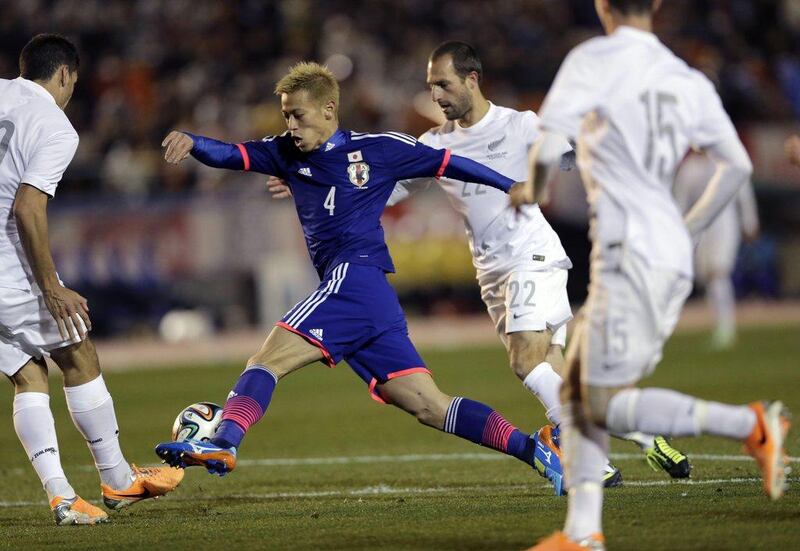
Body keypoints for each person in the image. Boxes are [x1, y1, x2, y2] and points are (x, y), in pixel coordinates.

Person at [155, 62, 562, 488]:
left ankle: (224, 439)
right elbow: (229, 154)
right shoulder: (284, 152)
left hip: (355, 278)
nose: (291, 125)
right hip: (371, 299)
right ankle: (537, 450)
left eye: (299, 115)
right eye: (286, 115)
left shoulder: (379, 148)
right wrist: (194, 142)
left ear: (329, 109)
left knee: (266, 361)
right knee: (428, 405)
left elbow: (448, 163)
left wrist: (508, 184)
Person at [509, 1, 791, 549]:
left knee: (597, 400)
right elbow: (738, 165)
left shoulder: (594, 58)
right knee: (579, 390)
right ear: (656, 5)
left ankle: (752, 425)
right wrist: (685, 231)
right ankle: (582, 531)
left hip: (630, 250)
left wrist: (534, 185)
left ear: (602, 5)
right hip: (661, 249)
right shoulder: (685, 77)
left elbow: (549, 137)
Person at [0, 34, 184, 526]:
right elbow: (26, 206)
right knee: (77, 347)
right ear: (64, 75)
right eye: (73, 84)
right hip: (8, 269)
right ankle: (118, 479)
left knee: (27, 373)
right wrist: (49, 285)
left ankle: (61, 497)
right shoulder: (56, 126)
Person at [674, 155, 759, 349]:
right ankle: (720, 324)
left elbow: (742, 190)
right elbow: (680, 201)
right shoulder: (689, 168)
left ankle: (726, 329)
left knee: (718, 271)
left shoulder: (724, 158)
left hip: (725, 221)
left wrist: (749, 221)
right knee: (707, 276)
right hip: (701, 226)